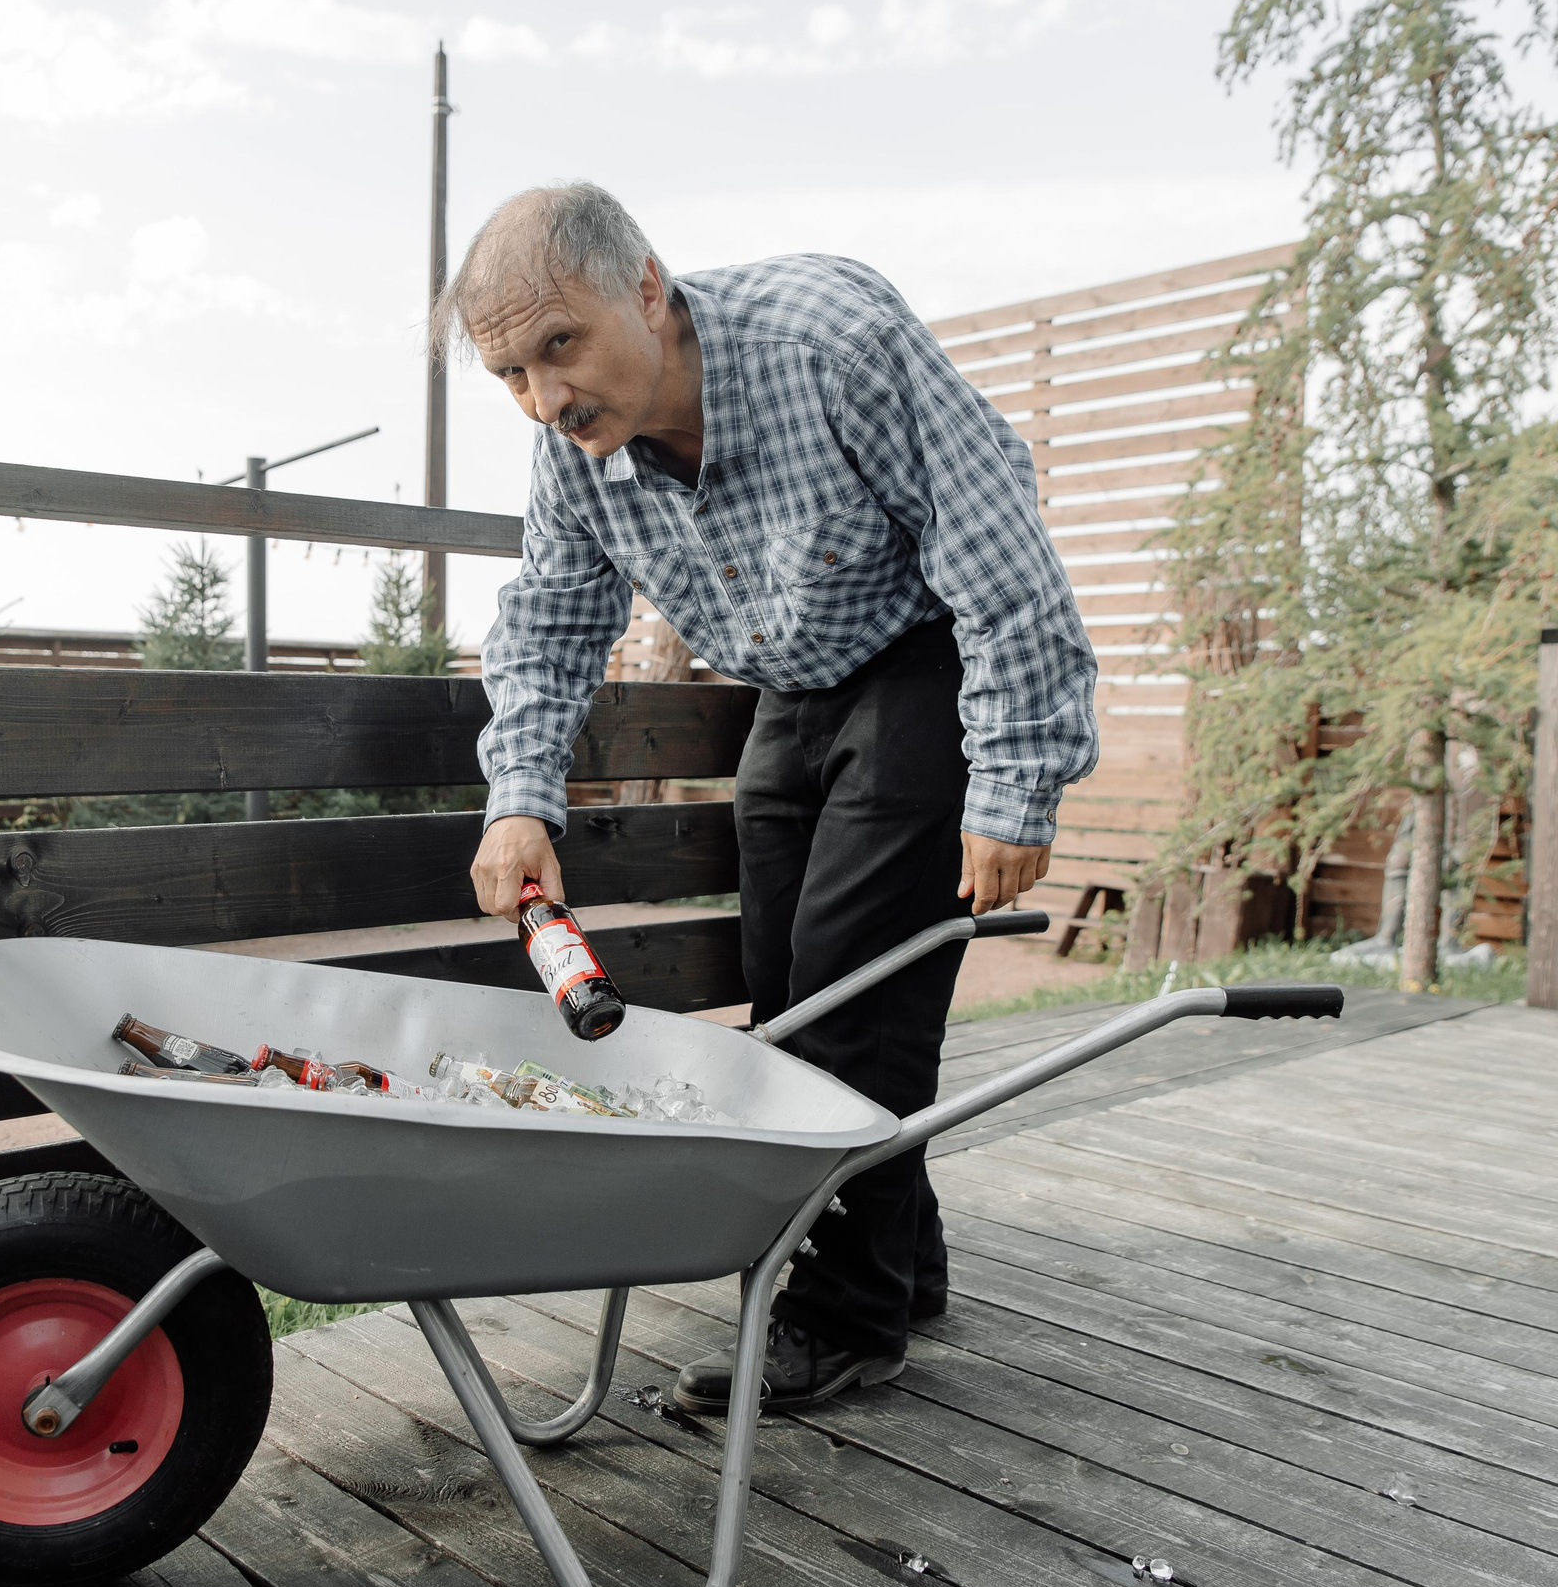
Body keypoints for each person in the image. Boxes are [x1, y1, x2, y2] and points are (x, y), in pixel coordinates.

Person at [445, 182, 1097, 1414]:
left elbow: (995, 545)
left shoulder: (827, 340)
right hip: (792, 688)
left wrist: (1014, 779)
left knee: (855, 1000)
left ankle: (842, 1320)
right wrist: (518, 798)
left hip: (923, 655)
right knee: (790, 989)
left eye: (559, 346)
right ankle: (900, 1269)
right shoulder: (570, 452)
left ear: (645, 287)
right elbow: (548, 617)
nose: (544, 398)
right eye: (510, 375)